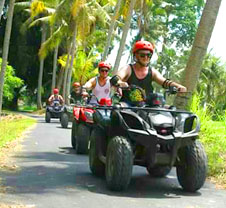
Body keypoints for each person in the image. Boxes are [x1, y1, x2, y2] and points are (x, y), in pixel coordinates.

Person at [112, 40, 187, 103]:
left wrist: (178, 86)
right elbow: (116, 78)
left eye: (149, 55)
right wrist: (120, 82)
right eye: (142, 55)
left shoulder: (152, 71)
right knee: (118, 111)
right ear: (135, 56)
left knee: (169, 111)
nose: (146, 58)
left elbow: (164, 82)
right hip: (128, 106)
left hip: (148, 106)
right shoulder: (128, 68)